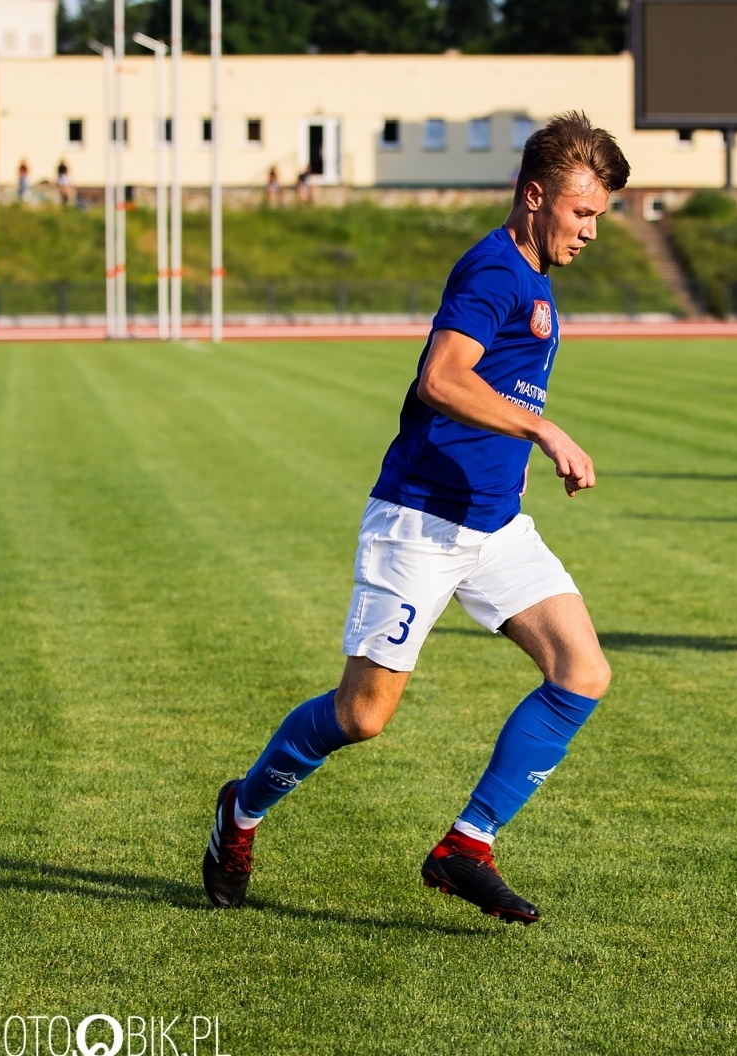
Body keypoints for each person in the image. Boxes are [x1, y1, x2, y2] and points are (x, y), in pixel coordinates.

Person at [202, 111, 630, 924]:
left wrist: (511, 458)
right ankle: (241, 811)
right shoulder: (496, 272)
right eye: (583, 212)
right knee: (363, 716)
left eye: (600, 216)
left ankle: (466, 846)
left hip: (494, 526)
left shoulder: (534, 277)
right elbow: (442, 377)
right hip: (421, 523)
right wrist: (541, 428)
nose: (592, 231)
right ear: (535, 196)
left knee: (583, 671)